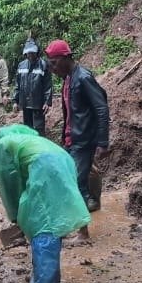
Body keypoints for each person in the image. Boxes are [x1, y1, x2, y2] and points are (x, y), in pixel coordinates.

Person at [0, 124, 91, 283]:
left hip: (44, 166)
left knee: (42, 223)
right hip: (65, 161)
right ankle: (47, 278)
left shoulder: (3, 144)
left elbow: (8, 182)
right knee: (53, 220)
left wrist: (15, 215)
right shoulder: (33, 140)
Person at [45, 39, 110, 231]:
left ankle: (83, 232)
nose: (52, 68)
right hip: (72, 139)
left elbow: (101, 108)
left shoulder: (83, 78)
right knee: (70, 179)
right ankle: (75, 222)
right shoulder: (68, 79)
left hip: (83, 141)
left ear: (66, 58)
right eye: (50, 64)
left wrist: (103, 141)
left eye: (54, 63)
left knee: (76, 184)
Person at [12, 39, 53, 137]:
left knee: (39, 129)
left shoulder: (43, 65)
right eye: (28, 53)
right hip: (25, 103)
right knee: (27, 128)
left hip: (38, 103)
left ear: (36, 52)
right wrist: (15, 101)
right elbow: (17, 84)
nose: (30, 55)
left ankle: (40, 145)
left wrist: (47, 102)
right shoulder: (21, 65)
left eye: (32, 53)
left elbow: (48, 85)